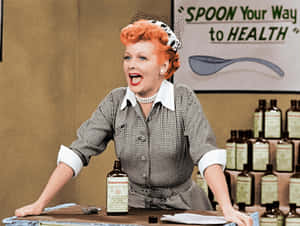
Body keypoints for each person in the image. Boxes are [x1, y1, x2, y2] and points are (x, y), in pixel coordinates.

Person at [15, 19, 252, 226]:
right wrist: (40, 203)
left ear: (164, 66)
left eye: (142, 58)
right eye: (127, 57)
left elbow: (206, 156)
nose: (131, 64)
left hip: (185, 210)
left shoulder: (184, 99)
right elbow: (77, 152)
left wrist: (226, 207)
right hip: (131, 211)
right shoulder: (114, 101)